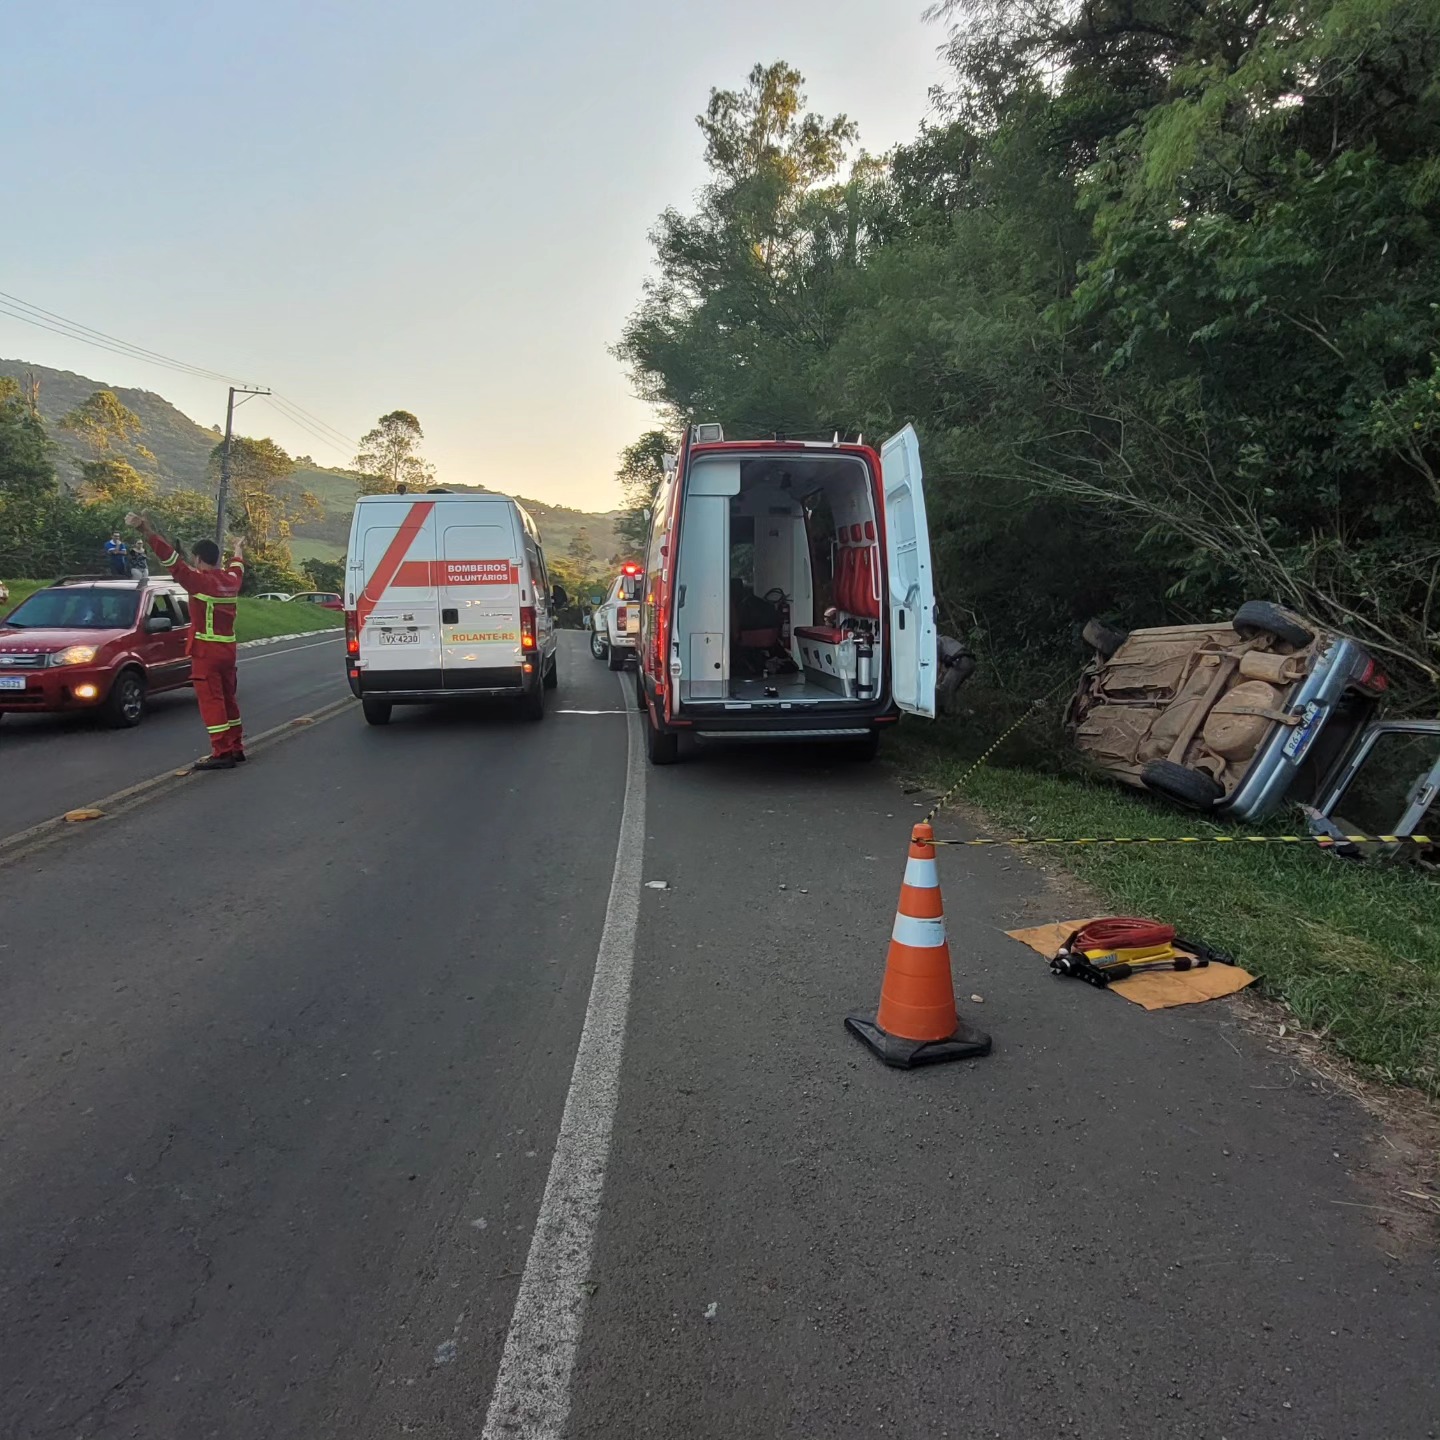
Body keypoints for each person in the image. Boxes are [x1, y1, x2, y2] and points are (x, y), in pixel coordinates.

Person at [125, 512, 246, 770]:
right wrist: (237, 548)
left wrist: (146, 530)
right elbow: (238, 566)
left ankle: (222, 751)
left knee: (212, 702)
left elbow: (171, 560)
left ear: (198, 558)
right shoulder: (231, 582)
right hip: (228, 651)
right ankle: (236, 746)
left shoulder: (200, 582)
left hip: (206, 652)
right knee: (228, 699)